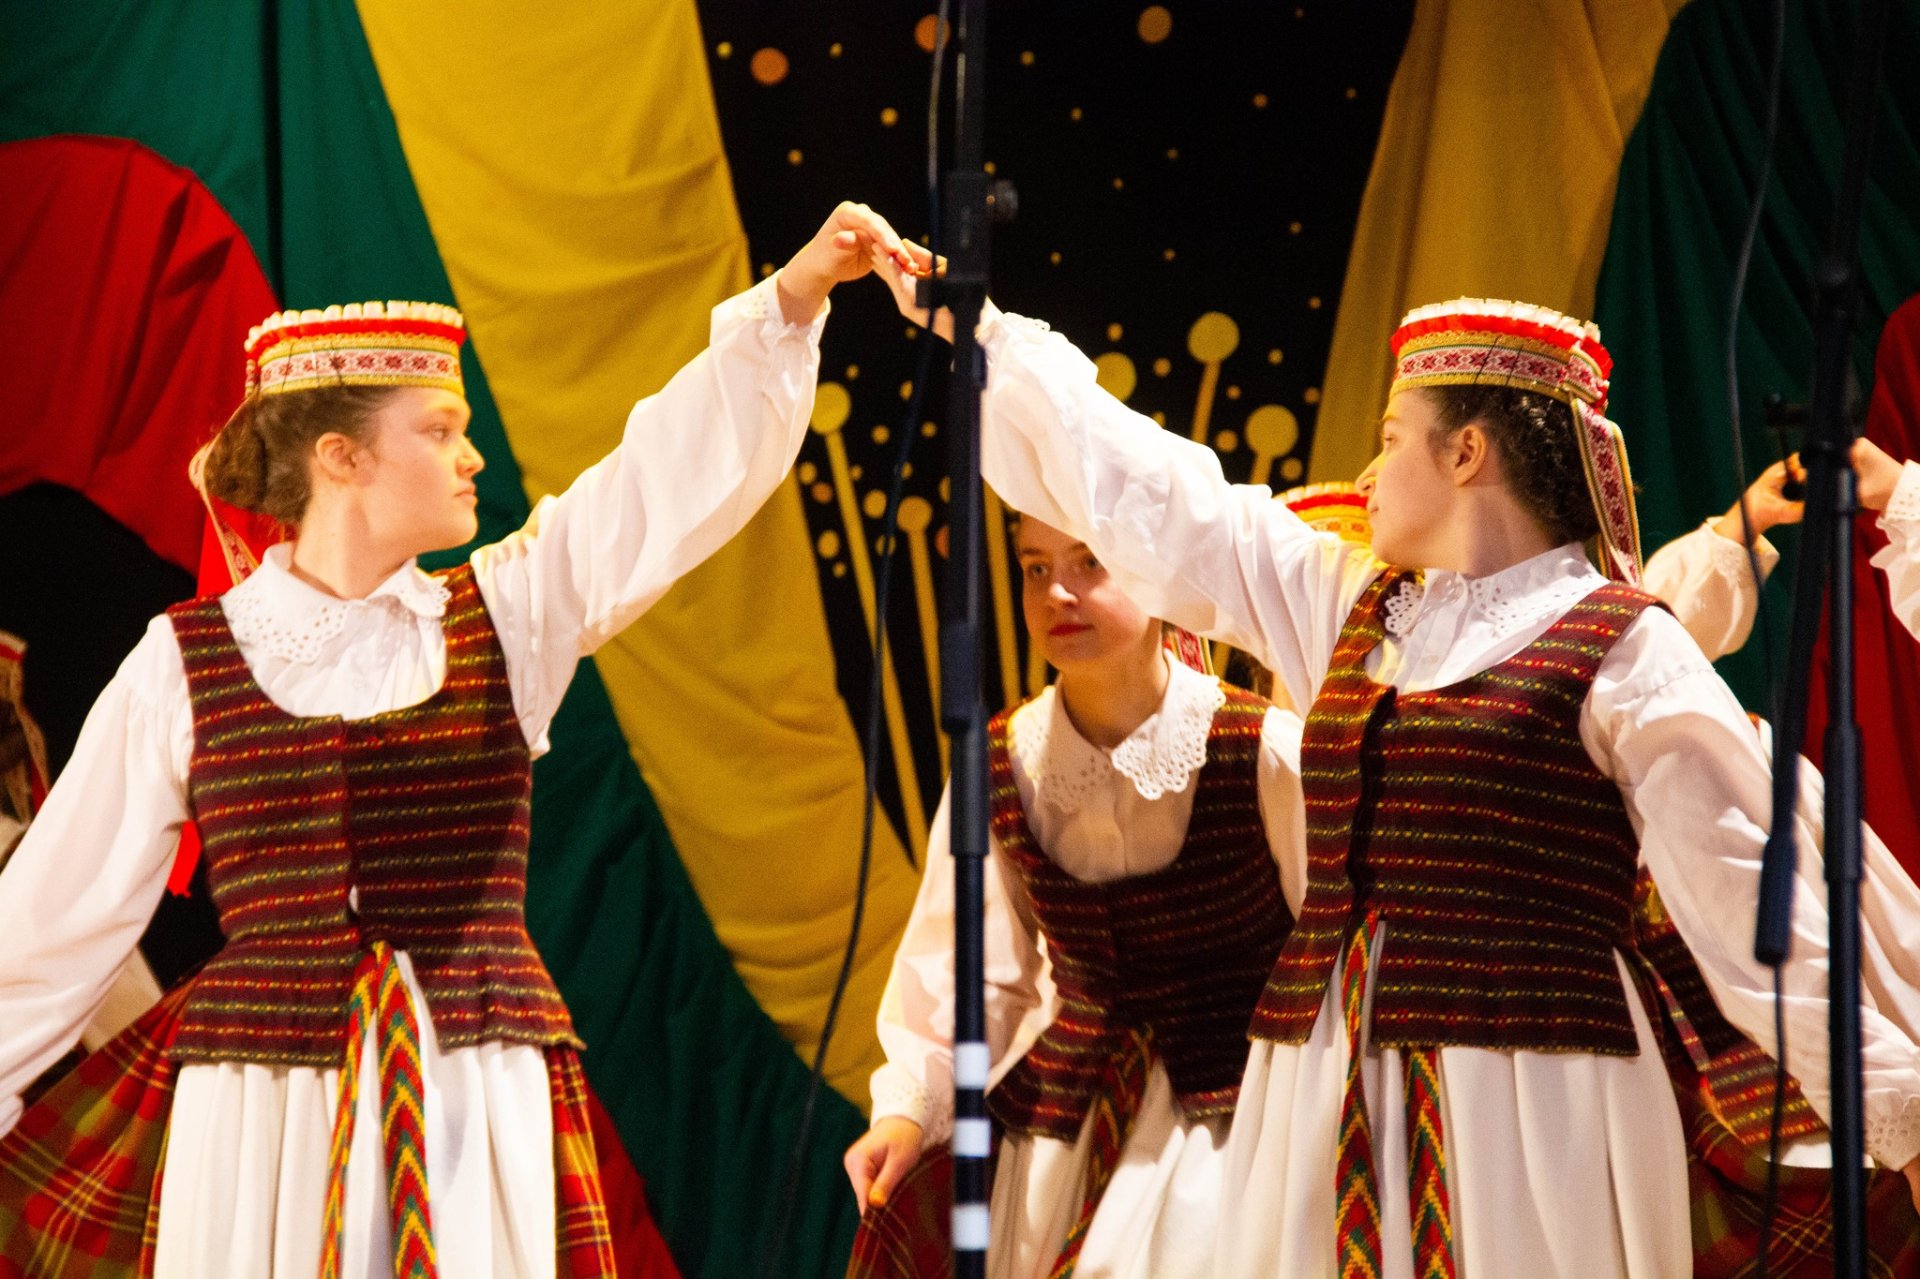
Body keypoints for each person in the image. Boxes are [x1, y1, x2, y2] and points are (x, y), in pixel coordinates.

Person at [868, 259, 1920, 1277]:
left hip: (1533, 1095)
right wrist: (986, 338)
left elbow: (1757, 912)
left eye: (1390, 438)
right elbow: (1169, 497)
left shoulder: (1620, 645)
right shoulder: (1357, 611)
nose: (1369, 475)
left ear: (1466, 453)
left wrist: (1904, 1119)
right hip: (1321, 1083)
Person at [0, 203, 927, 1279]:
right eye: (439, 431)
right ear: (342, 457)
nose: (472, 455)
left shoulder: (505, 615)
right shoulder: (188, 661)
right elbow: (55, 915)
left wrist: (793, 300)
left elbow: (656, 487)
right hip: (259, 1103)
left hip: (468, 1087)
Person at [843, 513, 1300, 1279]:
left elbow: (1335, 954)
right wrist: (907, 1109)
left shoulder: (1260, 749)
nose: (1058, 591)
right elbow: (968, 976)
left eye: (1090, 562)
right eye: (1035, 568)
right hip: (1069, 1125)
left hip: (1239, 1118)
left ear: (1158, 573)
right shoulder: (1003, 765)